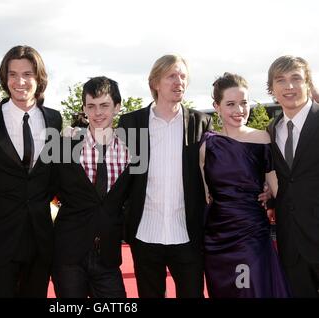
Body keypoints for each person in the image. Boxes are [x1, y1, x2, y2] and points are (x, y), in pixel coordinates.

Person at [117, 54, 212, 298]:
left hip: (188, 234)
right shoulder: (131, 123)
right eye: (171, 76)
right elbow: (118, 175)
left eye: (183, 76)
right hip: (145, 234)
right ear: (155, 83)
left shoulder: (201, 123)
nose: (178, 81)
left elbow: (214, 170)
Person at [199, 72, 290, 298]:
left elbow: (278, 188)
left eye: (244, 103)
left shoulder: (263, 139)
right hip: (216, 237)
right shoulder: (207, 145)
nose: (239, 110)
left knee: (250, 289)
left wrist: (271, 196)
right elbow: (205, 195)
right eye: (230, 104)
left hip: (251, 234)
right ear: (216, 106)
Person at [0, 45, 62, 297]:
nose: (20, 81)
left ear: (39, 78)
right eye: (13, 74)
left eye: (27, 74)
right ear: (5, 79)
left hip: (40, 239)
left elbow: (55, 172)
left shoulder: (54, 119)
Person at [52, 76, 131, 298]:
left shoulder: (132, 149)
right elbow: (48, 189)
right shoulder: (64, 146)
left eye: (104, 105)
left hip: (108, 255)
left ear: (117, 106)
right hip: (68, 254)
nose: (97, 113)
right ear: (84, 109)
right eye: (91, 106)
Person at [267, 55, 319, 297]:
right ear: (272, 88)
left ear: (308, 83)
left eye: (296, 79)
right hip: (291, 244)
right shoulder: (271, 130)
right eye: (281, 80)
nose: (288, 87)